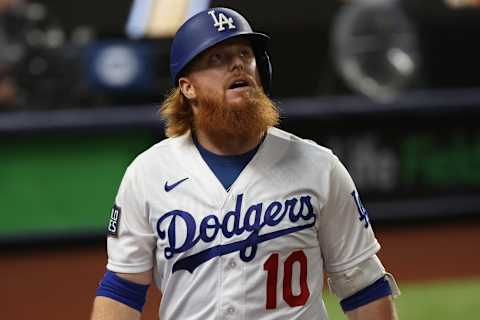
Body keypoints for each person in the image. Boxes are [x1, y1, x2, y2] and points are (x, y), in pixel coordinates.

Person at [91, 7, 400, 320]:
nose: (237, 63)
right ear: (187, 87)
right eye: (217, 58)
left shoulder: (318, 166)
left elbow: (363, 285)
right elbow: (122, 289)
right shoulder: (148, 174)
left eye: (244, 54)